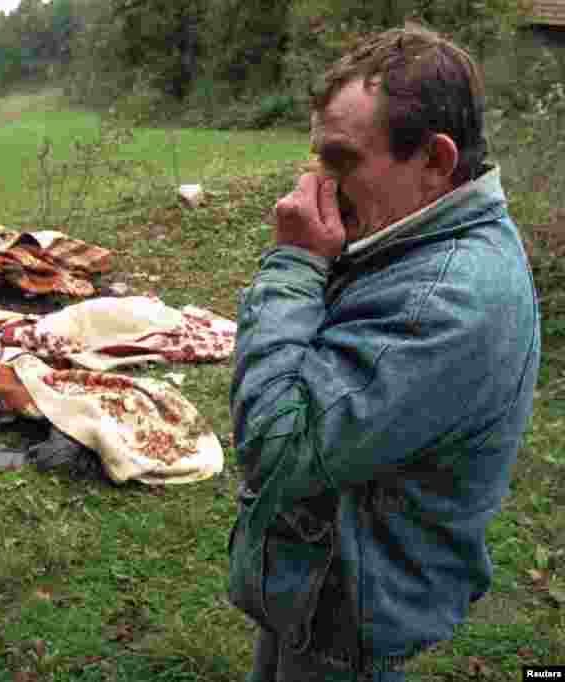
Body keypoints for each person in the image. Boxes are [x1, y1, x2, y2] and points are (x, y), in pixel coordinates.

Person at [226, 25, 540, 681]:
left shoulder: (445, 297)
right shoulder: (412, 235)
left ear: (435, 159)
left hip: (351, 616)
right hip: (316, 585)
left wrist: (293, 265)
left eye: (340, 161)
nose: (314, 185)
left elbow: (276, 446)